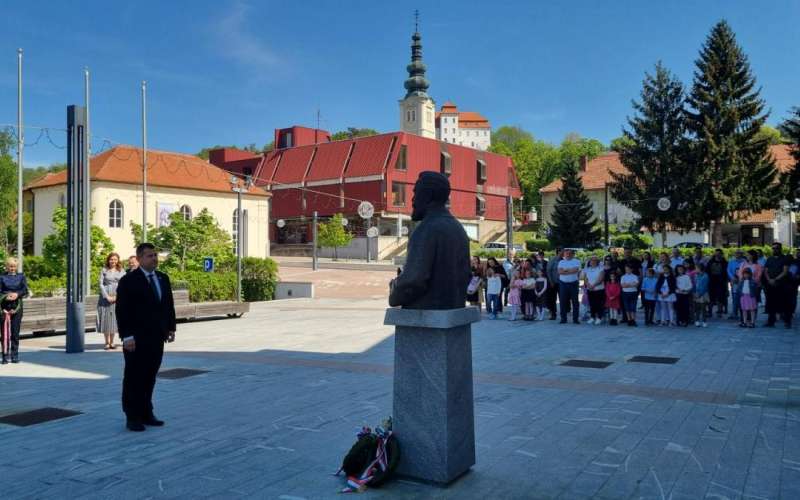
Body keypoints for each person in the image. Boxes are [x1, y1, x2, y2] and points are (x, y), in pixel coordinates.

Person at [116, 242, 177, 432]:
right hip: (136, 339)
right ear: (140, 258)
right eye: (150, 256)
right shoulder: (129, 281)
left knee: (150, 376)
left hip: (156, 336)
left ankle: (146, 412)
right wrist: (127, 337)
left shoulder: (162, 278)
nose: (154, 259)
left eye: (155, 255)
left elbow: (168, 305)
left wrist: (170, 327)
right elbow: (122, 311)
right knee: (134, 376)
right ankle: (132, 416)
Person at [0, 257, 28, 364]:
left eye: (14, 266)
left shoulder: (21, 277)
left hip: (17, 308)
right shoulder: (1, 277)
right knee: (4, 333)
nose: (12, 268)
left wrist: (17, 294)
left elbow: (25, 290)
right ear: (7, 266)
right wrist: (5, 296)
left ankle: (14, 355)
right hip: (4, 308)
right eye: (10, 266)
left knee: (15, 333)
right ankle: (5, 356)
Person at [98, 252, 126, 350]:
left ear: (118, 260)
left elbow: (124, 284)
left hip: (117, 296)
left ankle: (112, 342)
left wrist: (118, 297)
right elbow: (100, 284)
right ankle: (106, 342)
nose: (113, 261)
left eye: (115, 259)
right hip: (105, 298)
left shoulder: (121, 270)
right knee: (106, 319)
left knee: (114, 319)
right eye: (111, 259)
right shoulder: (104, 270)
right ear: (108, 260)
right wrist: (107, 296)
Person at [762, 242, 791, 328]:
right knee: (770, 303)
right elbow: (765, 271)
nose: (774, 250)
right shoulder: (769, 259)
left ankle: (787, 322)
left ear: (780, 249)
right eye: (773, 248)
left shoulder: (785, 259)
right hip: (770, 284)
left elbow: (785, 271)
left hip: (781, 284)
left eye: (776, 248)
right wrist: (769, 280)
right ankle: (771, 321)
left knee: (784, 303)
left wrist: (775, 279)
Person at [557, 249, 582, 324]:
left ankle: (575, 319)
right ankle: (563, 319)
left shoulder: (576, 261)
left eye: (569, 253)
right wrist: (569, 270)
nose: (567, 255)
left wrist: (565, 271)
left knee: (575, 302)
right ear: (564, 254)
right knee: (562, 301)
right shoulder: (561, 262)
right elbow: (560, 272)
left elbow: (576, 270)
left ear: (572, 254)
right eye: (566, 253)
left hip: (573, 283)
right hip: (563, 284)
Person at [582, 255, 605, 325]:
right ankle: (592, 317)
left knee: (599, 304)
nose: (593, 261)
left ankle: (599, 318)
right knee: (592, 304)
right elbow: (585, 279)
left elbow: (601, 279)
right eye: (592, 260)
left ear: (597, 262)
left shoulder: (601, 269)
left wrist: (594, 285)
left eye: (595, 260)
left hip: (599, 289)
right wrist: (588, 285)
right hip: (590, 289)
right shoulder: (587, 269)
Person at [707, 249, 729, 317]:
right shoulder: (710, 262)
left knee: (720, 297)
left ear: (721, 254)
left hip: (721, 282)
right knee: (711, 297)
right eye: (716, 253)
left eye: (719, 253)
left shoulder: (724, 262)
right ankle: (710, 311)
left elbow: (726, 272)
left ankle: (720, 311)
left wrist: (726, 282)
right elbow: (707, 271)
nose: (717, 255)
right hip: (712, 281)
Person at [727, 250, 745, 321]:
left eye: (739, 253)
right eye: (736, 253)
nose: (737, 255)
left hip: (742, 282)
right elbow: (728, 270)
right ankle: (734, 313)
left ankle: (742, 314)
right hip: (734, 282)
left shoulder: (744, 262)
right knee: (734, 298)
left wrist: (740, 278)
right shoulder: (731, 261)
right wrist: (732, 278)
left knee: (742, 298)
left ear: (741, 254)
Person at [546, 249, 562, 320]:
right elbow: (548, 271)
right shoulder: (552, 260)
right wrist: (551, 281)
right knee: (552, 299)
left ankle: (563, 313)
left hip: (562, 283)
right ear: (559, 252)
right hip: (553, 282)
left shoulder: (563, 260)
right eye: (563, 251)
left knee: (563, 299)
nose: (564, 253)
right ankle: (553, 313)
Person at [693, 263, 710, 327]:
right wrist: (694, 293)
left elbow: (705, 286)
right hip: (696, 293)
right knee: (697, 308)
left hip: (703, 294)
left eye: (696, 268)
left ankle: (704, 321)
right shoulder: (696, 275)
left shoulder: (706, 276)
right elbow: (695, 284)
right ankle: (697, 321)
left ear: (700, 268)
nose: (695, 269)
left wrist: (700, 294)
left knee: (703, 308)